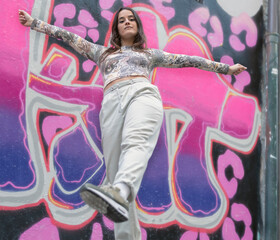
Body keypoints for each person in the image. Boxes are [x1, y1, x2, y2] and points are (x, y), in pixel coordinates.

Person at [19, 7, 246, 240]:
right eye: (121, 20)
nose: (127, 22)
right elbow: (68, 36)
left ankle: (118, 190)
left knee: (134, 145)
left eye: (131, 19)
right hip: (111, 104)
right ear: (116, 28)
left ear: (137, 26)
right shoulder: (101, 53)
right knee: (116, 172)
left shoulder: (150, 56)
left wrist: (225, 69)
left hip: (142, 95)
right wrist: (34, 23)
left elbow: (189, 60)